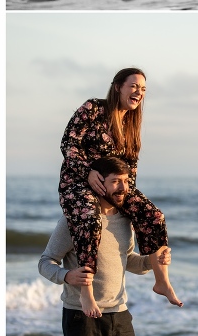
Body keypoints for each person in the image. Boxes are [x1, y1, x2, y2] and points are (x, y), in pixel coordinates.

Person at [58, 67, 182, 319]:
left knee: (154, 216)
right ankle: (86, 291)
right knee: (90, 219)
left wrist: (128, 200)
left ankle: (162, 281)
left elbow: (130, 168)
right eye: (134, 86)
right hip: (78, 183)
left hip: (115, 186)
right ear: (118, 87)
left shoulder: (131, 124)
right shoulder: (93, 108)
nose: (139, 92)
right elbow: (68, 143)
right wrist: (87, 172)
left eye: (144, 89)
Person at [39, 156, 172, 336]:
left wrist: (152, 262)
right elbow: (45, 261)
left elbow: (126, 260)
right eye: (115, 181)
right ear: (99, 183)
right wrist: (66, 275)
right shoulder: (74, 221)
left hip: (120, 314)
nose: (123, 188)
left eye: (126, 181)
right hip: (82, 316)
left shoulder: (126, 219)